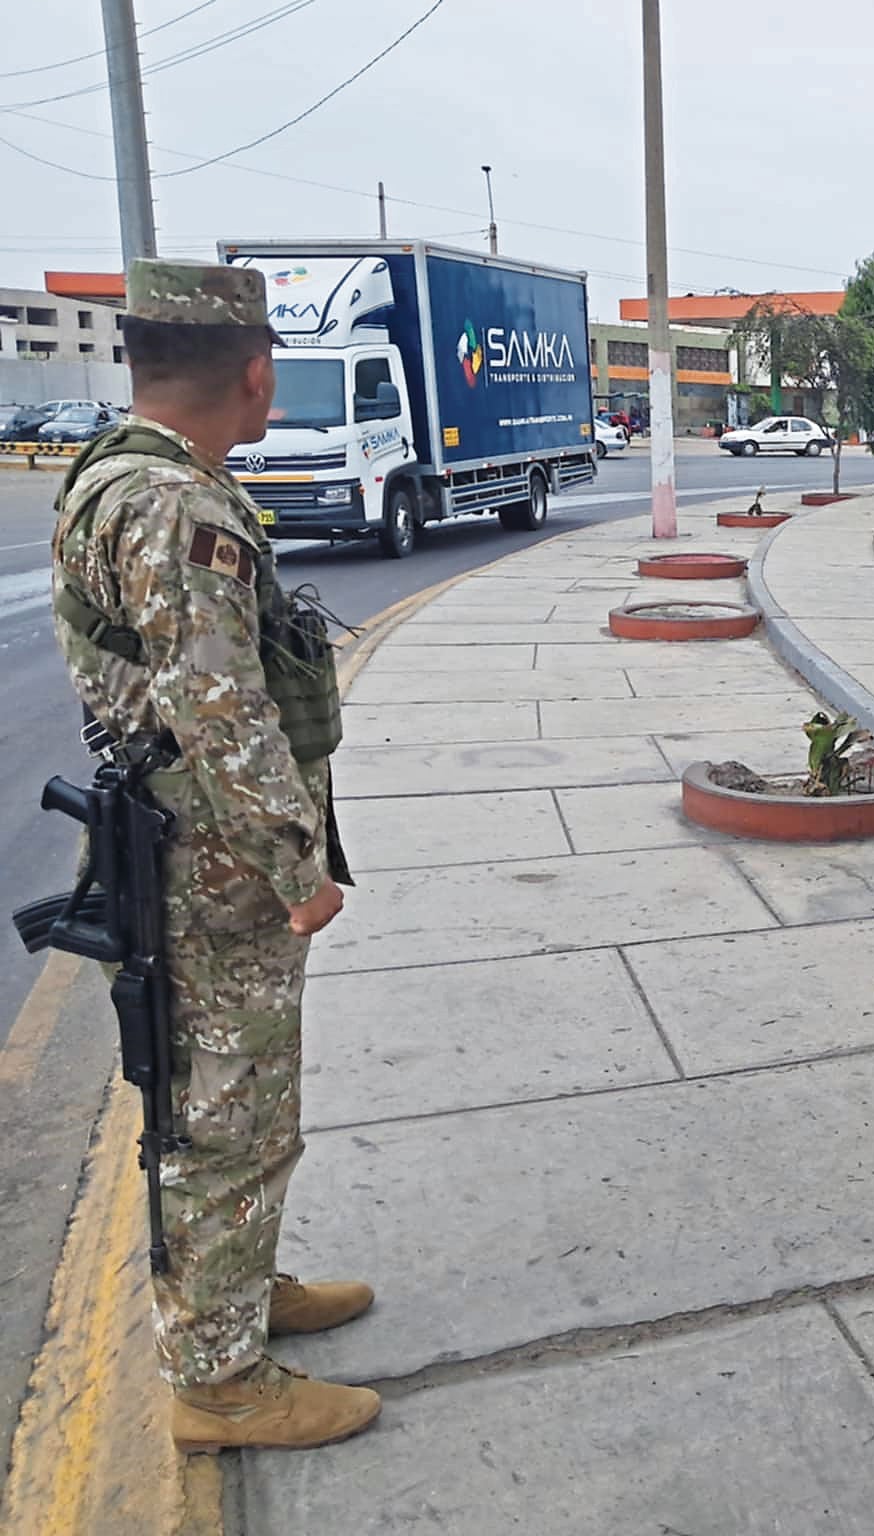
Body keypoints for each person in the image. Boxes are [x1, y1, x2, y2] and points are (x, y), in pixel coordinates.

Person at [48, 259, 380, 1452]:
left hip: (181, 841)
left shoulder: (111, 473)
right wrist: (300, 868)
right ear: (254, 374)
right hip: (215, 866)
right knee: (226, 1119)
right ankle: (218, 1381)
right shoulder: (177, 506)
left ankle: (234, 1293)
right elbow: (219, 704)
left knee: (224, 1109)